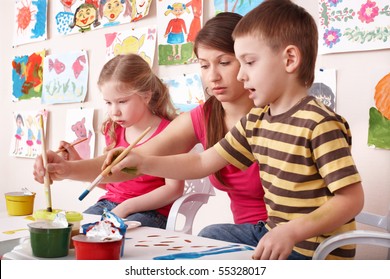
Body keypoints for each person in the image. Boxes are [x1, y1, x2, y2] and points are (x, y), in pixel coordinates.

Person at [107, 0, 364, 260]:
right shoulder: (257, 121)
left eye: (249, 63)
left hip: (313, 249)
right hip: (272, 233)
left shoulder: (320, 123)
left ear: (289, 59)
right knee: (208, 239)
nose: (241, 75)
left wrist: (292, 231)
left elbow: (351, 199)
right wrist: (143, 162)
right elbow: (201, 161)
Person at [33, 13, 267, 234]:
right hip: (248, 237)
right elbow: (129, 162)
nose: (213, 76)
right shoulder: (204, 117)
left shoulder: (277, 116)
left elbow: (194, 164)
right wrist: (65, 169)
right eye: (204, 65)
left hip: (282, 236)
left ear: (248, 61)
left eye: (224, 62)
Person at [35, 53, 184, 229]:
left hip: (150, 211)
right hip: (108, 205)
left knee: (118, 240)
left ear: (146, 96)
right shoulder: (114, 129)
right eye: (108, 103)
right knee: (75, 233)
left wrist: (127, 206)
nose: (115, 112)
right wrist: (77, 163)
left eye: (122, 101)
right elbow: (111, 182)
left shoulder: (170, 132)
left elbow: (174, 190)